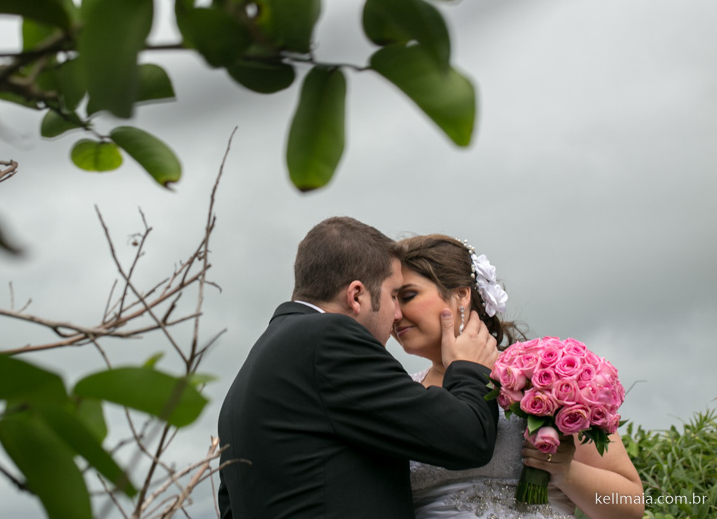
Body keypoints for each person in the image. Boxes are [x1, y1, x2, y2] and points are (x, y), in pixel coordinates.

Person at [217, 217, 501, 518]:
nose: (396, 314)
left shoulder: (244, 384)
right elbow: (468, 438)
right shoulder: (329, 340)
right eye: (394, 296)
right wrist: (468, 366)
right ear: (356, 296)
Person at [395, 234, 644, 519]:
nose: (395, 313)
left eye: (408, 296)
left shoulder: (546, 373)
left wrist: (566, 472)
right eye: (391, 300)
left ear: (461, 295)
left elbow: (630, 506)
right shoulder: (401, 392)